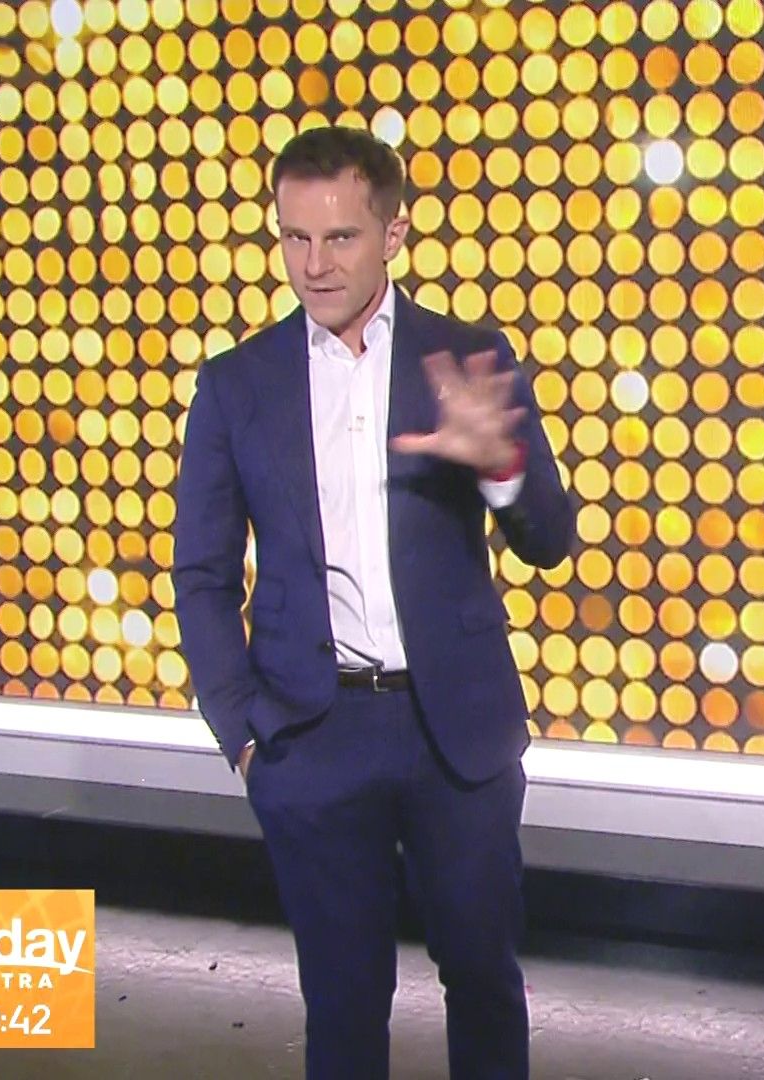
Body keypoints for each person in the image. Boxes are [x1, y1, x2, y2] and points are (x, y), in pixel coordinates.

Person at [174, 125, 574, 1079]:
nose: (313, 265)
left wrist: (502, 469)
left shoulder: (467, 360)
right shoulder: (236, 385)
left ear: (393, 234)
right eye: (294, 238)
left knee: (483, 977)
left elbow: (551, 540)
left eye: (340, 238)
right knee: (344, 1003)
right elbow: (202, 574)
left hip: (455, 734)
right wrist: (242, 733)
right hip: (311, 736)